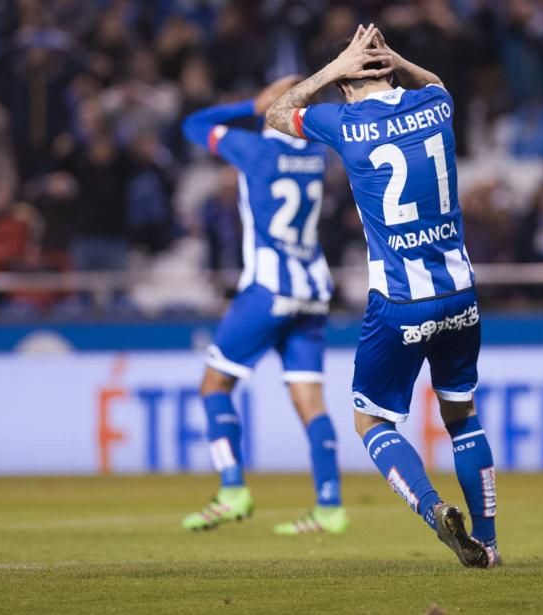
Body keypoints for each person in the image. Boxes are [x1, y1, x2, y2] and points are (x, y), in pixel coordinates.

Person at [265, 25, 499, 568]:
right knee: (462, 413)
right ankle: (488, 544)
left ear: (348, 85)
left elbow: (277, 112)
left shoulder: (342, 122)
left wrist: (333, 67)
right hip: (461, 294)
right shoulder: (434, 106)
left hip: (399, 302)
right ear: (393, 73)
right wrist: (389, 57)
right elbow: (437, 81)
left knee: (371, 421)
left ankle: (432, 506)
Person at [179, 77, 347, 535]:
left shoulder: (253, 151)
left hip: (268, 289)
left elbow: (193, 125)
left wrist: (247, 103)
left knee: (214, 386)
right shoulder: (317, 155)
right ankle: (329, 505)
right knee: (310, 401)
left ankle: (232, 489)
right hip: (312, 290)